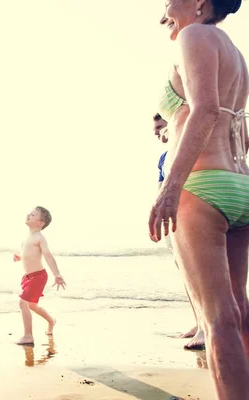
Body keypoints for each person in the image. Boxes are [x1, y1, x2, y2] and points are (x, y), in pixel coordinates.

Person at [151, 1, 249, 398]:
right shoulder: (232, 51)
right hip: (239, 183)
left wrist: (170, 186)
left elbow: (205, 109)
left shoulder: (195, 36)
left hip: (202, 185)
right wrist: (177, 22)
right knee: (238, 311)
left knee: (217, 320)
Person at [154, 113, 205, 350]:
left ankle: (207, 328)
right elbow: (160, 189)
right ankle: (198, 322)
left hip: (193, 218)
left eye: (161, 127)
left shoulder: (190, 151)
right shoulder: (164, 157)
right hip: (173, 222)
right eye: (155, 128)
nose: (157, 132)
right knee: (185, 273)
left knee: (199, 273)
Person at [12, 207, 66, 345]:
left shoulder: (39, 238)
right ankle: (51, 321)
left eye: (33, 214)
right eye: (30, 213)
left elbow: (47, 255)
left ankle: (28, 336)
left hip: (38, 277)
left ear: (40, 222)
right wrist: (19, 257)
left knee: (23, 303)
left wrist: (57, 274)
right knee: (33, 306)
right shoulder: (27, 238)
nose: (28, 214)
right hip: (28, 277)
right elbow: (27, 254)